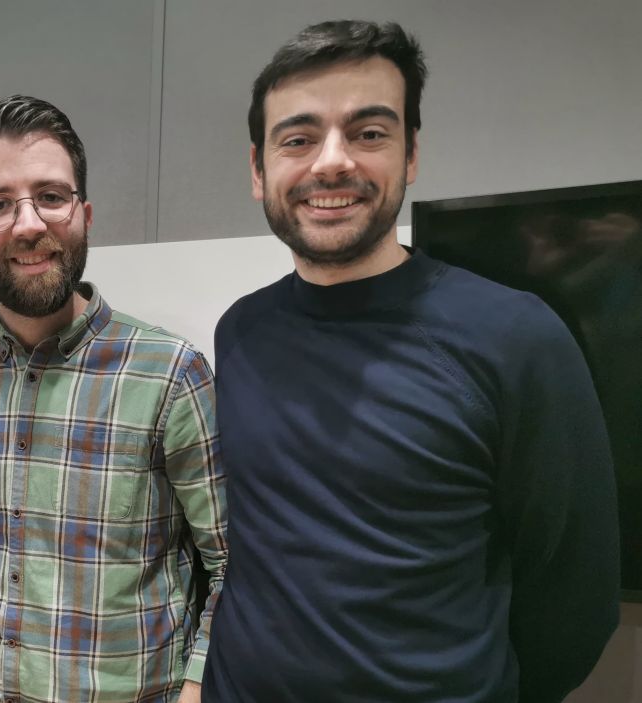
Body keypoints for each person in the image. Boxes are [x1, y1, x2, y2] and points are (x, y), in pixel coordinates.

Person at [202, 20, 620, 702]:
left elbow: (576, 601)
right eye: (298, 139)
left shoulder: (515, 339)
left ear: (411, 154)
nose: (331, 162)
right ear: (259, 170)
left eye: (369, 132)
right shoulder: (241, 332)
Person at [0, 95, 228, 703]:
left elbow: (233, 564)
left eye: (51, 197)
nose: (29, 223)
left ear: (84, 214)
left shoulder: (170, 374)